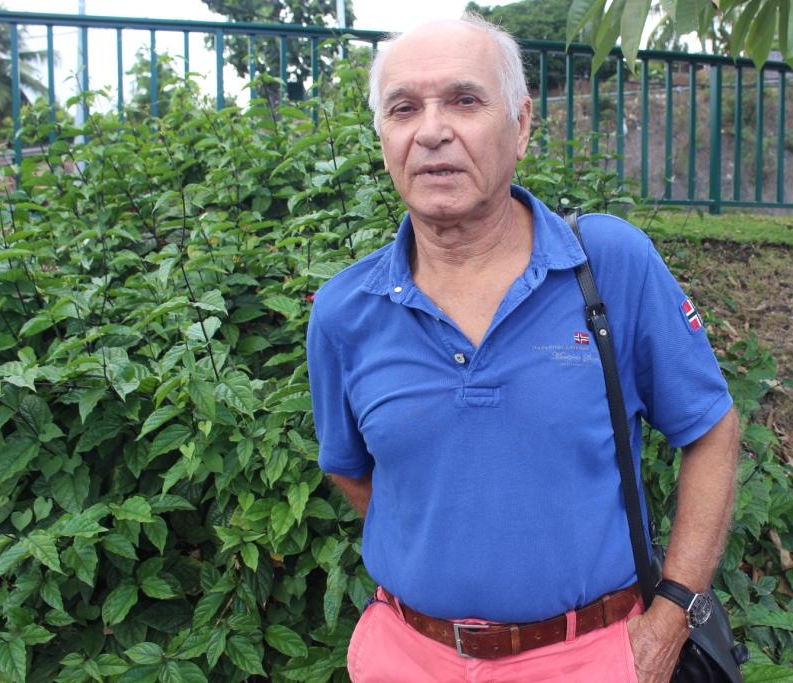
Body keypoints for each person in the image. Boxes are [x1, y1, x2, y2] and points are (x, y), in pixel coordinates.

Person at [306, 13, 740, 683]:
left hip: (590, 658)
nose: (431, 131)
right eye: (404, 108)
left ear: (522, 124)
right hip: (407, 657)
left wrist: (672, 617)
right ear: (383, 137)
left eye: (464, 100)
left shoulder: (606, 265)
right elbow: (351, 470)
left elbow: (710, 430)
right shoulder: (345, 310)